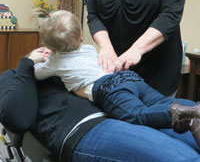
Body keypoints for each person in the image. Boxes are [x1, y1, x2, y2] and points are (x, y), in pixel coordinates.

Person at [1, 49, 200, 162]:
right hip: (88, 128)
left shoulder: (68, 65)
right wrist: (26, 63)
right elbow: (17, 118)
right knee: (186, 158)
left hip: (117, 113)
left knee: (188, 113)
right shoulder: (15, 76)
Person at [34, 9, 200, 141]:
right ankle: (193, 107)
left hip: (108, 88)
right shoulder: (89, 49)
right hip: (128, 77)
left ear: (50, 46)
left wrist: (40, 58)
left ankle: (185, 116)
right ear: (80, 35)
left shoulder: (56, 62)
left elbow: (37, 73)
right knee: (161, 101)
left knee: (137, 115)